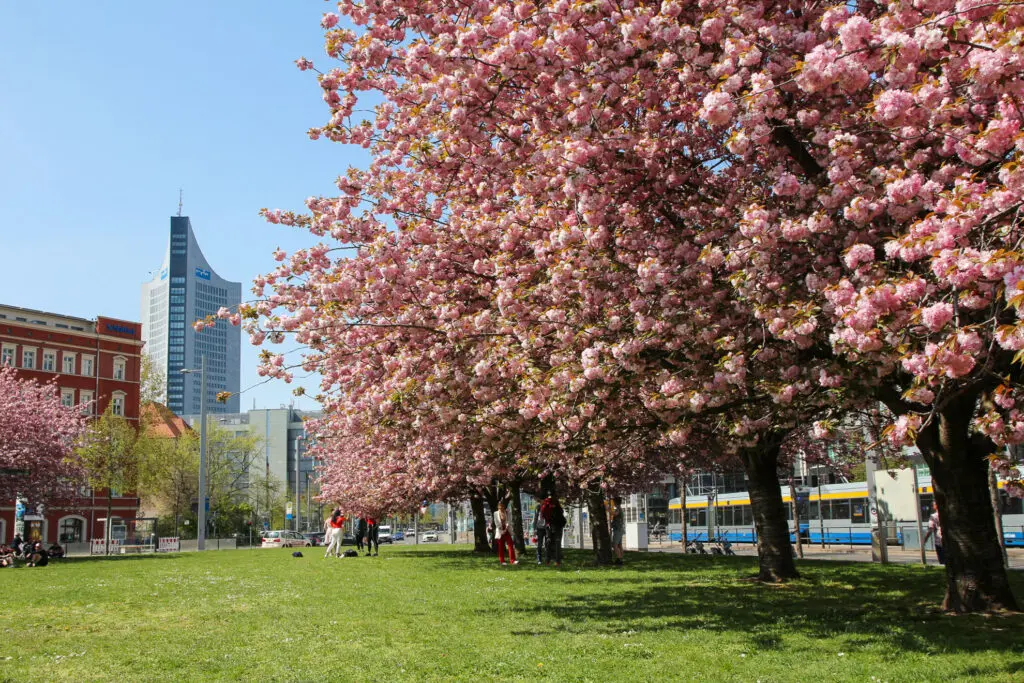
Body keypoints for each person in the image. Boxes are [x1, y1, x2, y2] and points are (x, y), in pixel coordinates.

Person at [493, 501, 517, 565]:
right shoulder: (495, 513)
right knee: (501, 546)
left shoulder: (507, 512)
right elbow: (496, 522)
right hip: (500, 531)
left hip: (507, 530)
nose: (501, 507)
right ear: (498, 506)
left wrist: (506, 529)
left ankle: (513, 560)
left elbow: (509, 521)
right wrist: (501, 530)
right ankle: (502, 561)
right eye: (500, 506)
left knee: (510, 544)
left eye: (502, 506)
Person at [546, 498, 567, 567]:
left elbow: (563, 521)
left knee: (552, 544)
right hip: (555, 529)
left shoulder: (554, 510)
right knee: (554, 545)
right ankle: (553, 561)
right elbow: (563, 521)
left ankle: (552, 561)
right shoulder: (557, 510)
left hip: (555, 529)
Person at [610, 496, 625, 566]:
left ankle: (619, 559)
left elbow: (614, 514)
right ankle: (621, 558)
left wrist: (608, 510)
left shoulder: (618, 509)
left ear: (615, 502)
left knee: (615, 545)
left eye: (613, 501)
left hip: (618, 529)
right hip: (620, 529)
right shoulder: (619, 508)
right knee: (619, 545)